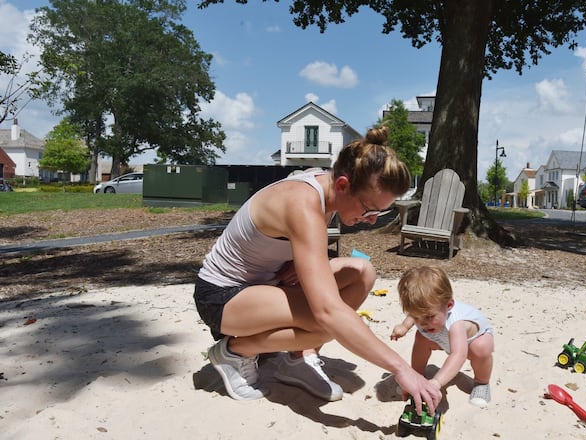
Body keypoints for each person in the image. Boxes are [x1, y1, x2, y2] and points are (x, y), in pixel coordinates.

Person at [193, 126, 441, 413]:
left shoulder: (325, 187)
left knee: (363, 272)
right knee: (327, 323)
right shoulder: (302, 202)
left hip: (264, 287)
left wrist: (297, 262)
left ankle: (296, 359)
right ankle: (235, 352)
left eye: (379, 213)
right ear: (344, 185)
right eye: (369, 209)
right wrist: (401, 368)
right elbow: (329, 312)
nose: (370, 220)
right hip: (222, 298)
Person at [390, 266, 495, 408]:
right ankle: (417, 376)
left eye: (429, 316)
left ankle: (482, 383)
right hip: (443, 338)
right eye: (416, 317)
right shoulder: (425, 316)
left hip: (471, 341)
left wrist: (436, 383)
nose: (422, 322)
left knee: (481, 348)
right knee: (421, 337)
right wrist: (404, 326)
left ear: (449, 305)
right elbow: (416, 314)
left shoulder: (456, 322)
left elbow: (458, 355)